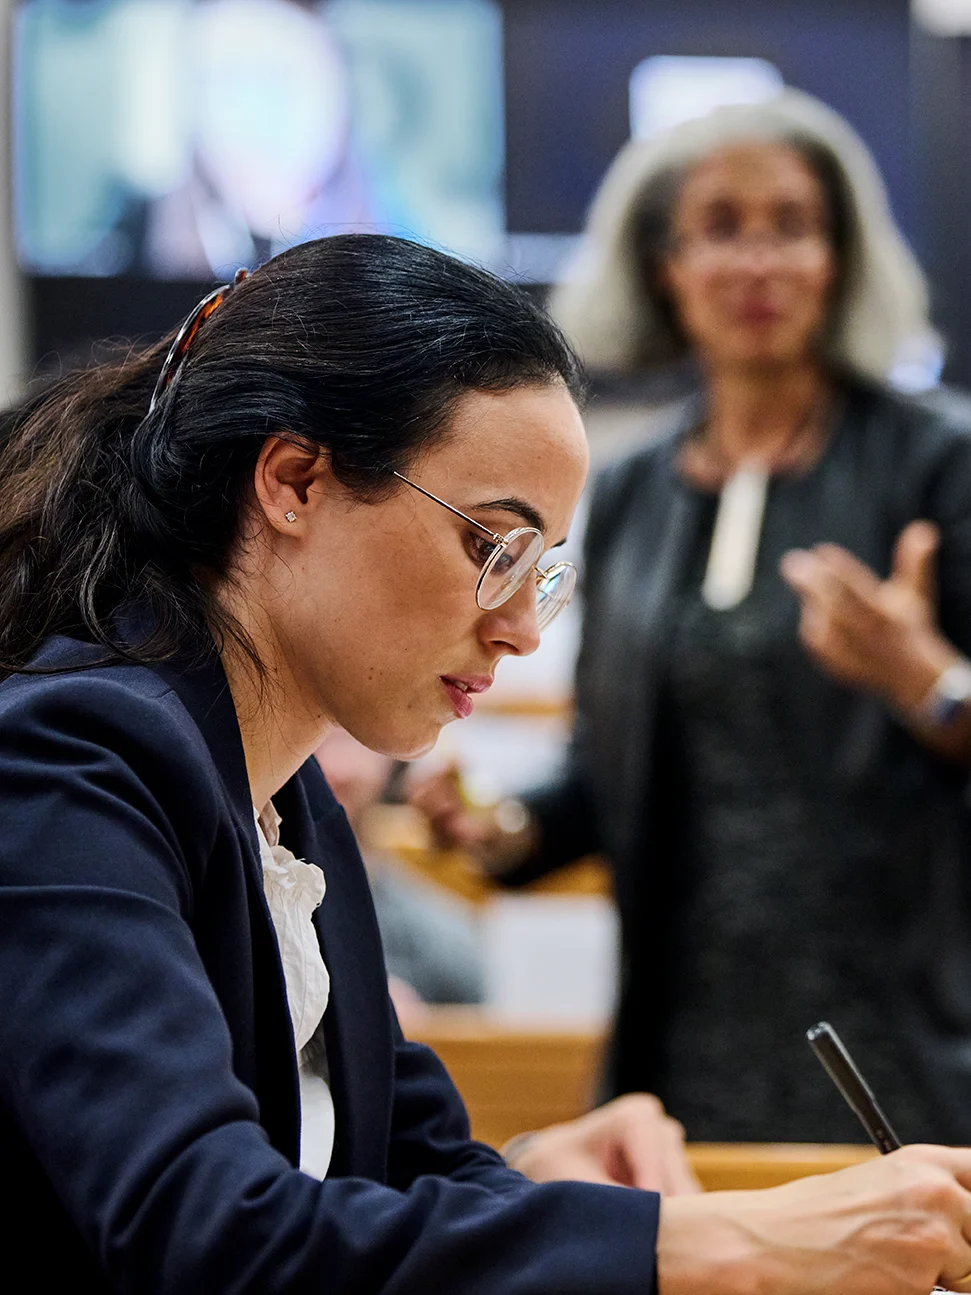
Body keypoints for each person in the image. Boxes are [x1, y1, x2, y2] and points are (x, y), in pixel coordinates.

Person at [3, 232, 971, 1293]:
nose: (521, 628)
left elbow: (405, 1163)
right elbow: (211, 1235)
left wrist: (571, 1196)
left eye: (541, 570)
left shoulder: (287, 794)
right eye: (490, 546)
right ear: (293, 479)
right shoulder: (69, 759)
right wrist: (716, 1241)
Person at [410, 89, 971, 1147]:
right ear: (661, 265)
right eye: (719, 228)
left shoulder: (937, 466)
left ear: (837, 259)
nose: (756, 261)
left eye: (790, 226)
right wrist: (509, 828)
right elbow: (606, 770)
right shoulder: (624, 494)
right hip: (679, 1054)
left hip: (906, 1044)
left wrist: (926, 679)